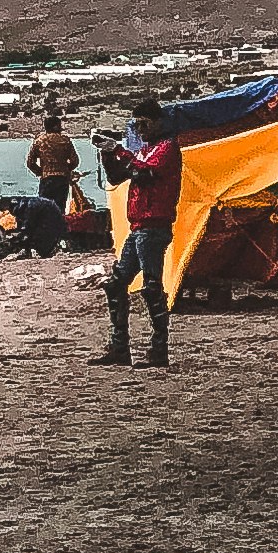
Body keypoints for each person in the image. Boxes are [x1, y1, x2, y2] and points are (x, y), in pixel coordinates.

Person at [96, 95, 182, 368]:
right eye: (138, 125)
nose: (141, 130)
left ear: (157, 123)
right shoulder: (147, 151)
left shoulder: (167, 148)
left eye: (144, 124)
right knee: (116, 284)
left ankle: (158, 350)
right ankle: (121, 347)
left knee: (152, 287)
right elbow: (119, 176)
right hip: (140, 226)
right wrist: (109, 154)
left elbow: (144, 174)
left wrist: (120, 151)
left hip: (154, 226)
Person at [27, 108, 81, 214]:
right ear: (56, 126)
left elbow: (30, 162)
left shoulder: (39, 141)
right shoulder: (65, 140)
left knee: (44, 209)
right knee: (59, 209)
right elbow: (75, 161)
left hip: (46, 178)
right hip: (62, 179)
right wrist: (65, 169)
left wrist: (40, 172)